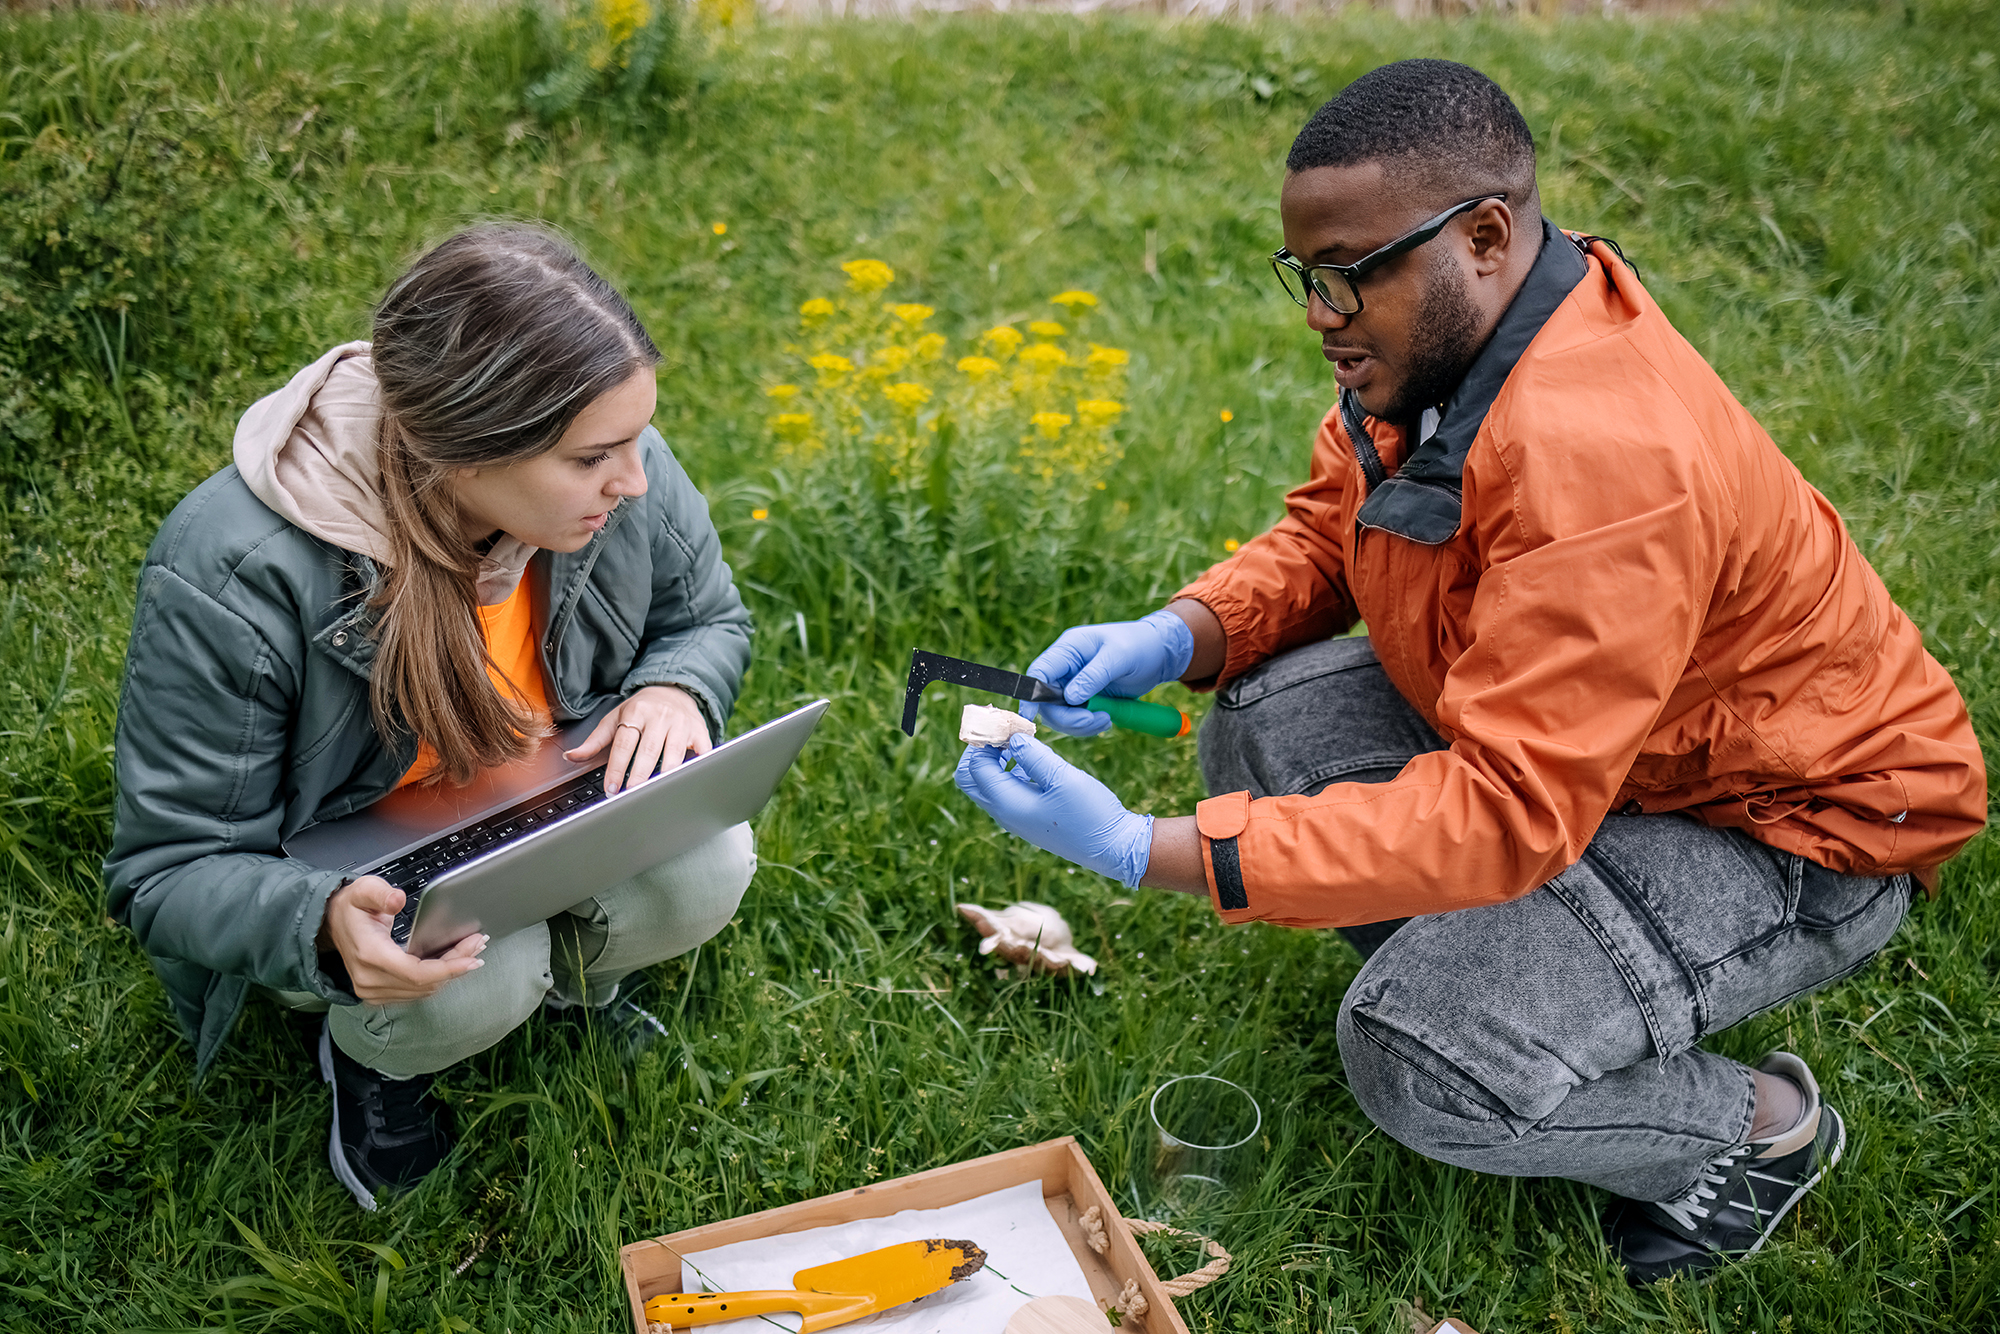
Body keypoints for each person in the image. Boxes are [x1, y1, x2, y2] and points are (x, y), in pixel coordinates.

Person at [954, 60, 1986, 1283]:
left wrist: (1146, 847)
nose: (1316, 313)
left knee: (1416, 1053)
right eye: (1303, 276)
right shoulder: (1455, 350)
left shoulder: (1602, 463)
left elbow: (1507, 806)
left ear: (1484, 234)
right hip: (1616, 759)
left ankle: (1753, 1133)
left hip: (1792, 825)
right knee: (1261, 723)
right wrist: (1183, 628)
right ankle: (1530, 979)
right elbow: (1338, 525)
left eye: (1344, 275)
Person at [104, 225, 757, 1210]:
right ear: (463, 454)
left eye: (635, 439)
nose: (633, 479)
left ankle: (577, 991)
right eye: (592, 457)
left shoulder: (618, 473)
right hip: (352, 868)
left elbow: (702, 617)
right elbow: (165, 869)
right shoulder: (235, 569)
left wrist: (675, 686)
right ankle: (376, 1066)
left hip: (546, 803)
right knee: (484, 977)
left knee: (708, 862)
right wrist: (318, 922)